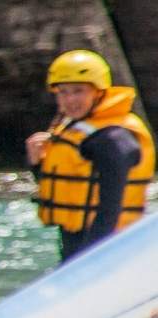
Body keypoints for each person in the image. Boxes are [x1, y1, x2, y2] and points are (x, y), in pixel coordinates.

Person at [27, 49, 150, 261]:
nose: (70, 100)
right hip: (77, 243)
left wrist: (88, 262)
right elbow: (68, 188)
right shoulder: (76, 130)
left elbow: (110, 208)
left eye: (78, 91)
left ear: (98, 92)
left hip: (108, 249)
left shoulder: (112, 140)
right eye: (63, 92)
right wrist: (36, 163)